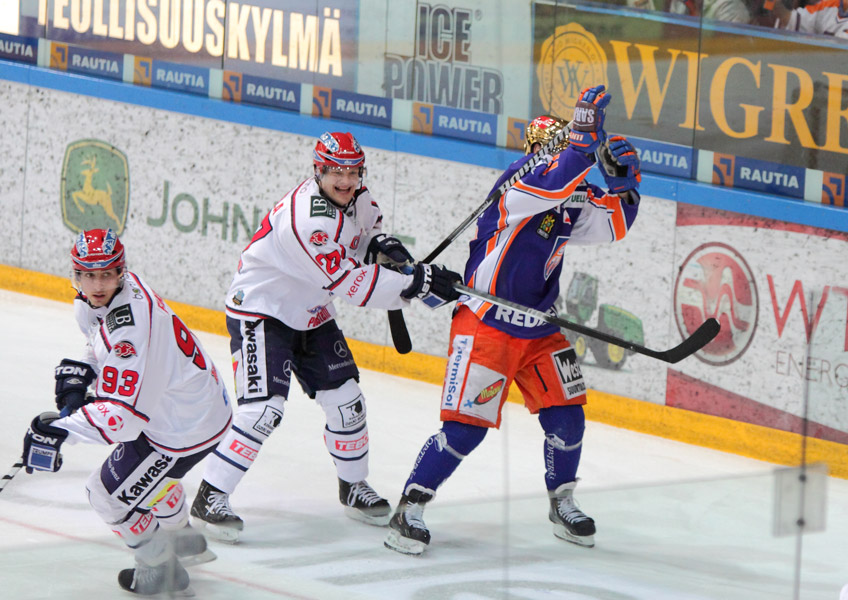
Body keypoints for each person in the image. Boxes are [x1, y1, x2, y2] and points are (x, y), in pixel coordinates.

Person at [383, 86, 642, 555]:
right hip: (487, 323)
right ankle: (410, 507)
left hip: (539, 328)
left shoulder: (567, 197)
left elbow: (614, 224)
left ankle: (561, 501)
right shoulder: (517, 189)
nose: (564, 157)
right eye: (556, 149)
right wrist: (582, 138)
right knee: (466, 429)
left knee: (569, 419)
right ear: (536, 155)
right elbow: (557, 177)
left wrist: (625, 183)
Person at [189, 131, 462, 542]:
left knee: (348, 403)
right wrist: (419, 285)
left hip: (312, 313)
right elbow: (351, 284)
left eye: (353, 171)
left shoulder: (360, 197)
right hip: (263, 312)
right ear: (318, 170)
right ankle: (210, 496)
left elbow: (366, 235)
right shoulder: (307, 220)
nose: (346, 180)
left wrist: (383, 247)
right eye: (336, 171)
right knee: (263, 411)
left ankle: (352, 486)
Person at [20, 228, 234, 595]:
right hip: (190, 404)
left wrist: (62, 430)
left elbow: (123, 419)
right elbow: (99, 342)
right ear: (76, 275)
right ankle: (182, 539)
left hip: (184, 425)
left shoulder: (132, 327)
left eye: (106, 273)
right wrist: (82, 370)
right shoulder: (106, 296)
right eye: (88, 274)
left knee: (104, 493)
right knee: (149, 479)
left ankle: (159, 566)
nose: (97, 283)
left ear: (121, 271)